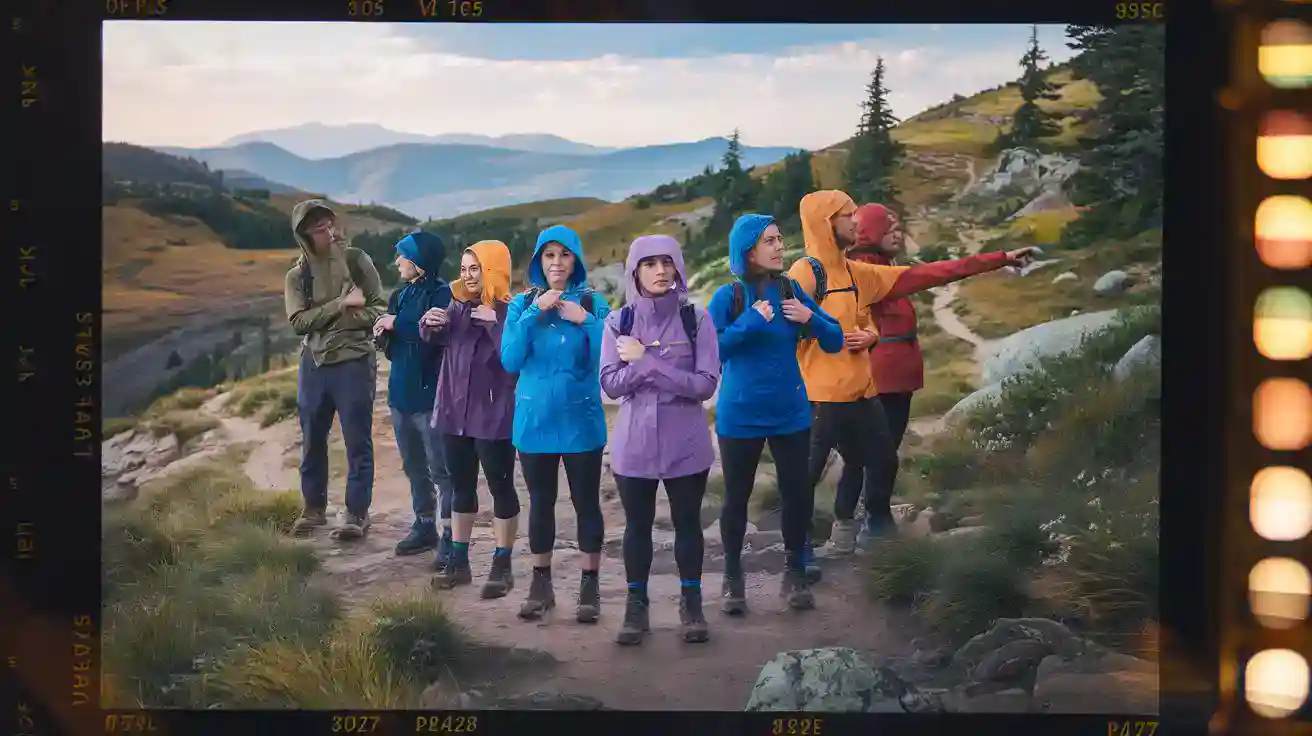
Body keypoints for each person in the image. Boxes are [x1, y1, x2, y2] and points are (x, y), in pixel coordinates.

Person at [786, 191, 1037, 552]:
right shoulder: (808, 271)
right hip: (825, 394)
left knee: (877, 459)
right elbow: (784, 324)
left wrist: (999, 258)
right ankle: (800, 549)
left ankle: (858, 531)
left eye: (858, 215)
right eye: (849, 215)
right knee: (811, 471)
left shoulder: (858, 273)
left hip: (861, 389)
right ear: (826, 223)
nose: (856, 221)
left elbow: (928, 274)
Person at [707, 214, 844, 613]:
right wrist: (751, 321)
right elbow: (712, 352)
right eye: (770, 240)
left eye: (780, 239)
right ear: (748, 250)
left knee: (797, 496)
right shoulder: (728, 297)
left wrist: (810, 318)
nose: (780, 246)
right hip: (740, 415)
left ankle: (795, 573)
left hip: (790, 412)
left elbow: (835, 339)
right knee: (736, 498)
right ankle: (733, 578)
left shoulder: (790, 291)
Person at [600, 234, 720, 645]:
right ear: (635, 271)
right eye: (650, 264)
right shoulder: (618, 322)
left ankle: (692, 604)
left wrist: (646, 361)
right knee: (637, 527)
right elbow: (610, 385)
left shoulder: (697, 320)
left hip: (686, 442)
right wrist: (647, 368)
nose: (660, 271)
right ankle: (636, 607)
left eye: (667, 262)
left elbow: (705, 385)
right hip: (633, 444)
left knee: (688, 524)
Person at [501, 224, 611, 623]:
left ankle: (589, 586)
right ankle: (540, 585)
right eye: (549, 255)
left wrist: (586, 321)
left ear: (576, 259)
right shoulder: (522, 305)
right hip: (535, 422)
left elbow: (610, 357)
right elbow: (510, 360)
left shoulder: (594, 303)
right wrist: (534, 313)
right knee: (541, 503)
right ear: (538, 261)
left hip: (582, 421)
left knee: (586, 503)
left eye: (565, 254)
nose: (557, 262)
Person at [421, 240, 522, 598]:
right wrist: (429, 324)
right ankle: (459, 562)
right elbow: (437, 340)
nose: (467, 276)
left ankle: (502, 565)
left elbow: (515, 364)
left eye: (475, 268)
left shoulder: (512, 311)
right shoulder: (456, 305)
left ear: (493, 269)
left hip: (493, 415)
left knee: (500, 487)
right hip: (453, 413)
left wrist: (495, 325)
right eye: (464, 269)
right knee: (460, 487)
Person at [284, 199, 388, 541]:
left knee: (357, 440)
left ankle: (356, 513)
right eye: (318, 228)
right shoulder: (298, 276)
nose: (327, 232)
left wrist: (351, 319)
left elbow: (379, 309)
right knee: (313, 440)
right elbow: (299, 322)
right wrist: (340, 305)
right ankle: (313, 509)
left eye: (328, 224)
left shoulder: (356, 261)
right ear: (303, 234)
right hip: (314, 365)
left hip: (354, 362)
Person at [373, 231, 457, 558]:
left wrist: (396, 324)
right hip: (401, 396)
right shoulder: (400, 295)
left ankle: (451, 535)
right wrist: (382, 334)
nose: (397, 262)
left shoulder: (443, 293)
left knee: (442, 471)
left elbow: (431, 334)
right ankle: (424, 525)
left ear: (420, 261)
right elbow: (395, 349)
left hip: (431, 398)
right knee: (414, 467)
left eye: (403, 256)